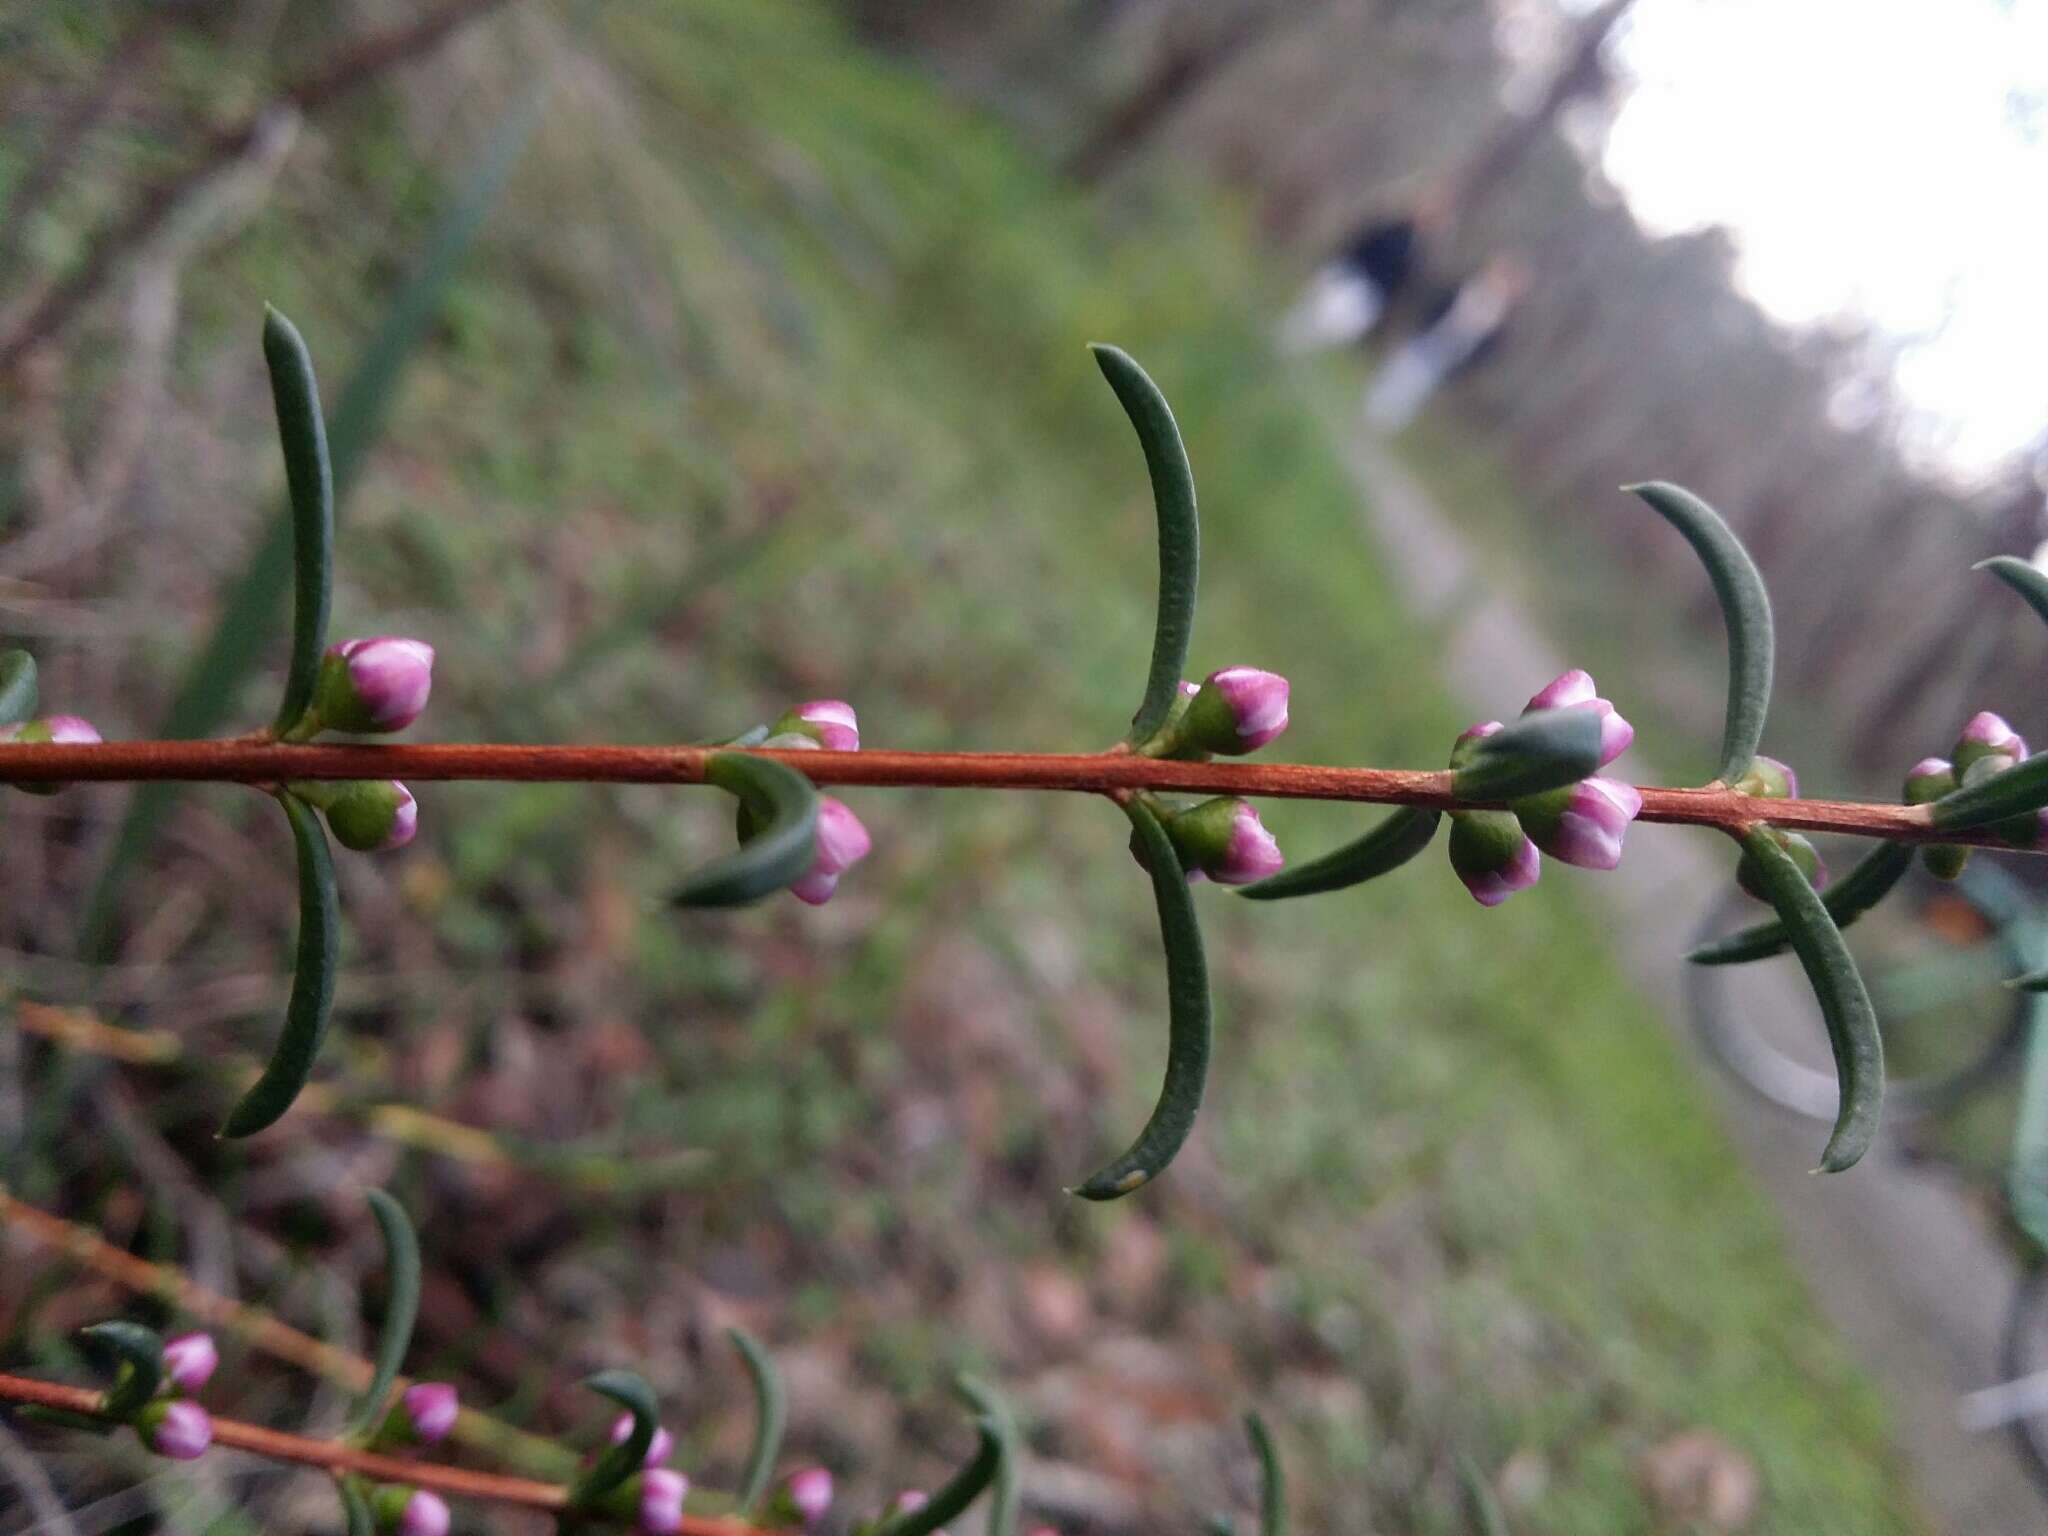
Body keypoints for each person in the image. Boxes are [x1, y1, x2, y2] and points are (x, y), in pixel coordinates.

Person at [1362, 252, 1532, 432]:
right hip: (1427, 339)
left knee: (1412, 390)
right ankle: (1367, 412)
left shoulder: (1498, 319)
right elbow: (1437, 307)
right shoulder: (1466, 289)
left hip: (1447, 358)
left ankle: (1380, 425)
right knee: (1396, 373)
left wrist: (1460, 368)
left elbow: (1483, 351)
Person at [1275, 185, 1453, 355]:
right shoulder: (1390, 225)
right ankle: (1279, 341)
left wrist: (1381, 306)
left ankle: (1292, 349)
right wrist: (1338, 264)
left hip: (1367, 295)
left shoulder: (1417, 253)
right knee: (1313, 311)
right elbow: (1360, 243)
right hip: (1351, 276)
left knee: (1331, 326)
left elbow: (1401, 284)